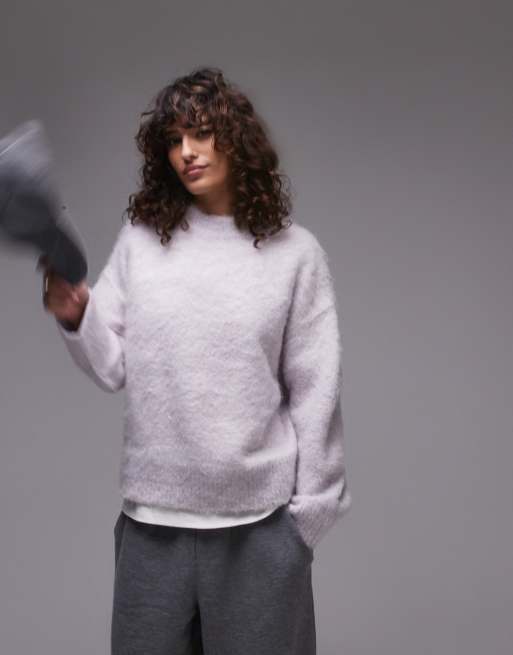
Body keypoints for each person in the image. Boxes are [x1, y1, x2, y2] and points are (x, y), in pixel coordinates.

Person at [39, 66, 352, 655]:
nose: (187, 151)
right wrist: (76, 313)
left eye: (202, 132)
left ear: (236, 139)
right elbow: (111, 365)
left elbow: (317, 388)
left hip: (259, 532)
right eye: (174, 139)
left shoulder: (295, 255)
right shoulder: (141, 242)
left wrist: (310, 516)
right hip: (151, 530)